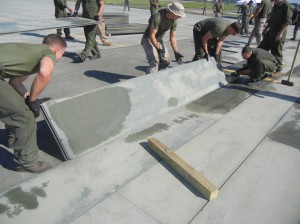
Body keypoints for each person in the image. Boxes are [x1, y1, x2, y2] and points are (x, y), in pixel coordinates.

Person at [0, 34, 67, 173]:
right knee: (23, 116)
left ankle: (16, 139)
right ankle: (27, 162)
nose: (59, 59)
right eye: (62, 54)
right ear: (56, 50)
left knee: (17, 106)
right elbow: (44, 73)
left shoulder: (30, 51)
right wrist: (33, 101)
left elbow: (15, 82)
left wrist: (28, 98)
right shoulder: (49, 53)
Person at [141, 2, 185, 74]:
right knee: (154, 62)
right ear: (172, 12)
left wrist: (176, 52)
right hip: (148, 39)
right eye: (179, 15)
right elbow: (152, 35)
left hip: (158, 39)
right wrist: (158, 49)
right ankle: (150, 80)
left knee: (166, 61)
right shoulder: (158, 16)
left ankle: (156, 75)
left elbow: (173, 37)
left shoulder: (174, 21)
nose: (180, 17)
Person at [258, 0, 292, 73]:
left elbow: (287, 22)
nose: (273, 1)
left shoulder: (286, 5)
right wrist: (265, 29)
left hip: (278, 32)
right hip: (271, 31)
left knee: (276, 51)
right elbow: (271, 20)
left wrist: (280, 33)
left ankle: (278, 69)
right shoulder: (276, 5)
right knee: (262, 47)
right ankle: (255, 63)